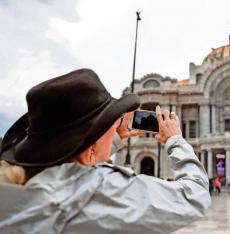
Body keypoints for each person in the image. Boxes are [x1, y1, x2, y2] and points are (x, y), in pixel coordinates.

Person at [0, 69, 211, 233]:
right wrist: (175, 140)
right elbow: (195, 196)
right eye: (109, 126)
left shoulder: (16, 186)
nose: (113, 130)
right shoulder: (101, 190)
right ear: (92, 142)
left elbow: (72, 163)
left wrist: (111, 138)